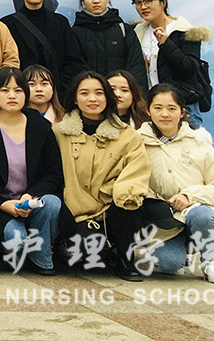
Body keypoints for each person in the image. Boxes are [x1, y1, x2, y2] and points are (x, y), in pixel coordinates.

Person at [54, 71, 153, 280]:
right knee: (89, 254)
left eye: (99, 93)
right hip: (75, 211)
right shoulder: (59, 133)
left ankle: (125, 258)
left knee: (130, 205)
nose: (92, 99)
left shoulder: (127, 135)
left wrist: (122, 194)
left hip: (112, 206)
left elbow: (136, 171)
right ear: (75, 98)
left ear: (108, 97)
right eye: (84, 93)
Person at [0, 66, 65, 275]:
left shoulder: (41, 126)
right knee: (16, 239)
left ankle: (42, 257)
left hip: (32, 201)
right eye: (5, 90)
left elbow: (54, 174)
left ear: (26, 94)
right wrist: (3, 204)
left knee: (52, 203)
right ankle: (17, 248)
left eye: (18, 90)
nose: (12, 95)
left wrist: (31, 195)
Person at [137, 84, 214, 284]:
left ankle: (210, 262)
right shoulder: (138, 142)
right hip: (163, 222)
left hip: (194, 212)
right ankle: (178, 255)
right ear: (148, 110)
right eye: (158, 108)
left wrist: (189, 196)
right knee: (169, 265)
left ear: (182, 112)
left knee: (202, 215)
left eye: (171, 108)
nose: (165, 114)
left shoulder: (198, 142)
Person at [131, 0, 210, 127]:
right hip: (150, 107)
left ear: (163, 2)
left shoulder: (184, 31)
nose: (143, 7)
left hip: (182, 106)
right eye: (138, 2)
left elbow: (189, 69)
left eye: (148, 1)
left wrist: (166, 43)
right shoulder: (138, 32)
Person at [1, 0, 85, 87]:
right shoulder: (7, 24)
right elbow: (6, 61)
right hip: (22, 89)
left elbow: (73, 59)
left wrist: (60, 85)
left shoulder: (61, 22)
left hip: (57, 89)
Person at [71, 0, 145, 86]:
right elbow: (74, 68)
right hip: (91, 93)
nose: (96, 1)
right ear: (82, 0)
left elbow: (136, 67)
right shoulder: (75, 33)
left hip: (120, 93)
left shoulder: (123, 30)